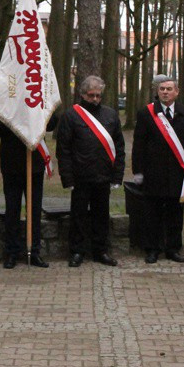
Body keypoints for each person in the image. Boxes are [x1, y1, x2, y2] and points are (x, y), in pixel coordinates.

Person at [56, 75, 125, 267]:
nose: (95, 99)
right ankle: (77, 252)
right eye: (91, 95)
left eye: (98, 95)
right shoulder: (71, 115)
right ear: (83, 94)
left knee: (101, 216)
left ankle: (100, 251)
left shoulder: (111, 115)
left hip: (104, 175)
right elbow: (64, 149)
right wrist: (67, 178)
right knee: (78, 216)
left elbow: (119, 147)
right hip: (80, 176)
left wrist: (117, 175)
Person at [131, 75, 184, 264]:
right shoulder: (146, 113)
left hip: (178, 173)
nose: (165, 92)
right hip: (154, 172)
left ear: (177, 92)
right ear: (157, 92)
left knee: (176, 213)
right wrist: (138, 171)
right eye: (162, 89)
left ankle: (173, 248)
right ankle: (152, 249)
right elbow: (139, 144)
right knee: (153, 214)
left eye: (169, 89)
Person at [0, 114, 56, 268]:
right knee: (12, 209)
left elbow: (52, 123)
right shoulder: (6, 96)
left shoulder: (37, 95)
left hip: (34, 162)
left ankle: (34, 251)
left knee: (35, 209)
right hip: (12, 161)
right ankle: (12, 252)